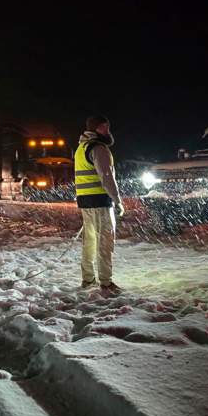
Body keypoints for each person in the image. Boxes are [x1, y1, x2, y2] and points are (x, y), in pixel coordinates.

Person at [75, 115, 125, 294]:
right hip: (101, 201)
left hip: (86, 202)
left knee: (89, 241)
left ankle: (87, 279)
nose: (107, 129)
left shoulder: (81, 148)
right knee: (104, 241)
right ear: (93, 128)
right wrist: (117, 200)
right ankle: (106, 282)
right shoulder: (99, 148)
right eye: (102, 126)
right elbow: (106, 177)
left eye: (107, 126)